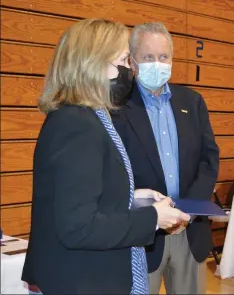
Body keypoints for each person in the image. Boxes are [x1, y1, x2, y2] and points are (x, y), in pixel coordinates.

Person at [21, 18, 190, 295]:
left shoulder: (88, 117)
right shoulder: (77, 124)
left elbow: (82, 195)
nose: (130, 70)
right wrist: (152, 218)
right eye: (124, 60)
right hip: (78, 280)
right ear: (93, 63)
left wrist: (135, 197)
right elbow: (78, 226)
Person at [111, 22, 220, 294]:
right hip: (142, 234)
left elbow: (209, 159)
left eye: (163, 57)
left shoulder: (192, 102)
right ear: (132, 61)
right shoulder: (117, 106)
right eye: (148, 57)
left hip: (189, 231)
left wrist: (189, 212)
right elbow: (114, 168)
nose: (157, 64)